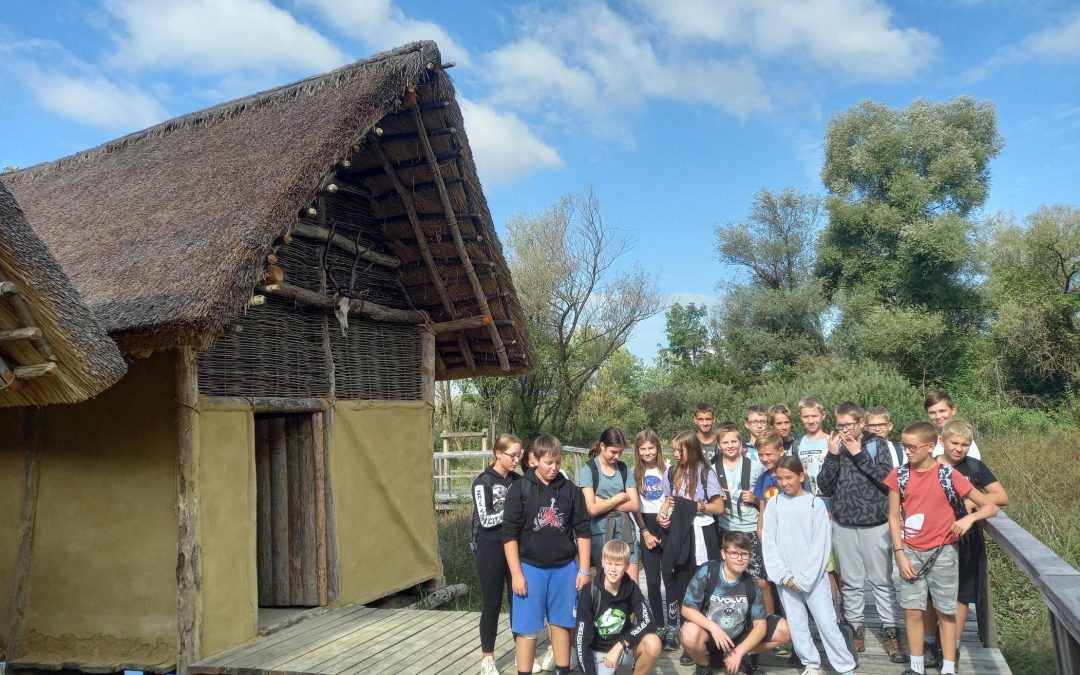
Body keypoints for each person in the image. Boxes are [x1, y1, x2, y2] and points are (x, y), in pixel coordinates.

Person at [887, 421, 999, 675]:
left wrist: (968, 519)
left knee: (946, 611)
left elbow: (990, 506)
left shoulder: (949, 475)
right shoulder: (899, 475)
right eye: (905, 446)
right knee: (913, 611)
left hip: (943, 552)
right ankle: (916, 667)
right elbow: (893, 516)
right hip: (910, 551)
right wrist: (899, 553)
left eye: (913, 447)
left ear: (930, 446)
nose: (908, 451)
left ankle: (948, 667)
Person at [816, 401, 905, 663]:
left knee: (882, 581)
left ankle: (890, 630)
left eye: (849, 425)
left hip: (876, 524)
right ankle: (855, 628)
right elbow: (824, 486)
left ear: (861, 423)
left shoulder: (878, 445)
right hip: (843, 524)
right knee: (852, 583)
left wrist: (858, 453)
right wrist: (832, 456)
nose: (843, 430)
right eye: (840, 425)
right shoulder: (835, 445)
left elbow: (888, 479)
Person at [503, 435, 592, 675]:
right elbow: (509, 536)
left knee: (562, 623)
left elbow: (583, 532)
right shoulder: (519, 489)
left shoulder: (571, 491)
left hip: (564, 568)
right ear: (535, 461)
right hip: (529, 568)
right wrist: (516, 574)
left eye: (557, 463)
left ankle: (562, 670)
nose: (554, 468)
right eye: (548, 463)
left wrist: (584, 569)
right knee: (528, 628)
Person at [761, 456, 858, 675]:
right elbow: (769, 543)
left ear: (801, 476)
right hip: (786, 578)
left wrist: (804, 579)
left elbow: (820, 547)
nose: (784, 482)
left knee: (826, 623)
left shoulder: (815, 505)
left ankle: (845, 666)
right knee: (796, 623)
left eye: (789, 477)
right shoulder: (774, 504)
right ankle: (811, 663)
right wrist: (785, 576)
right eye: (780, 478)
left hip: (813, 578)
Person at [924, 419, 1009, 665]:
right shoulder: (929, 465)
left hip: (967, 541)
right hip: (934, 540)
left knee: (962, 595)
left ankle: (954, 648)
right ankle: (930, 643)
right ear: (942, 441)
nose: (959, 448)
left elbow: (1001, 496)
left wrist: (973, 501)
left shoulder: (975, 467)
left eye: (965, 444)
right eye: (955, 443)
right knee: (930, 595)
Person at [658, 430, 725, 666]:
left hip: (703, 535)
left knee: (707, 587)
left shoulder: (706, 473)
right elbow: (668, 501)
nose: (676, 454)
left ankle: (711, 643)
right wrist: (662, 515)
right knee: (684, 586)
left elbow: (718, 507)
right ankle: (690, 642)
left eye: (680, 450)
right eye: (674, 450)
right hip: (679, 535)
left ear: (692, 449)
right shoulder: (671, 472)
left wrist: (695, 507)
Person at [680, 532, 791, 675]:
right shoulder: (707, 572)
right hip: (710, 635)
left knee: (785, 629)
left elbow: (760, 626)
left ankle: (742, 654)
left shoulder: (751, 583)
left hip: (739, 635)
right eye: (734, 553)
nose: (739, 559)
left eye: (744, 554)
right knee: (689, 633)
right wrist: (713, 627)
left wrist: (739, 651)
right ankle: (703, 665)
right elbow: (686, 609)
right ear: (723, 553)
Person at [471, 434, 523, 675]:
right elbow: (486, 519)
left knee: (518, 602)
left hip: (515, 547)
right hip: (490, 547)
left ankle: (521, 652)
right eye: (512, 455)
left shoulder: (518, 480)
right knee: (492, 603)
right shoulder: (482, 482)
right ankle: (488, 658)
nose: (516, 459)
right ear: (498, 454)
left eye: (519, 455)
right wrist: (512, 513)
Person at [575, 539, 662, 675]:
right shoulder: (589, 591)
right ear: (602, 562)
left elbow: (648, 622)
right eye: (609, 563)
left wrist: (620, 645)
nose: (613, 569)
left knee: (653, 642)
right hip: (598, 654)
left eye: (618, 564)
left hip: (623, 648)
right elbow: (581, 640)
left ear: (627, 565)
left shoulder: (631, 587)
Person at [713, 423, 767, 616]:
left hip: (751, 528)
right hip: (726, 529)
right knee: (730, 578)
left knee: (760, 579)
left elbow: (768, 496)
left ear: (741, 443)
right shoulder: (712, 470)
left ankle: (769, 621)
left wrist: (754, 499)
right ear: (718, 445)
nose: (730, 445)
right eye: (725, 442)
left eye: (734, 441)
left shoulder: (756, 466)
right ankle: (735, 619)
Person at [630, 429, 674, 650]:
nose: (647, 452)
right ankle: (658, 626)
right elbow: (635, 506)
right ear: (638, 451)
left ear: (657, 447)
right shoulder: (633, 473)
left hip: (666, 523)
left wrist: (666, 517)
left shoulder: (667, 469)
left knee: (670, 578)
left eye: (651, 447)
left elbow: (672, 497)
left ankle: (674, 627)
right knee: (654, 581)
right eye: (643, 449)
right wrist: (645, 532)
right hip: (646, 524)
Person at [581, 427, 641, 580]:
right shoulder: (589, 470)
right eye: (613, 452)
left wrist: (604, 502)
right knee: (607, 583)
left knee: (631, 584)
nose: (617, 456)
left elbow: (634, 505)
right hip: (601, 534)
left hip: (626, 531)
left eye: (620, 452)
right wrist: (618, 498)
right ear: (602, 446)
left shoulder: (624, 469)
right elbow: (592, 510)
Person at [924, 390, 982, 460]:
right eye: (932, 413)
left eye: (942, 411)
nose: (938, 416)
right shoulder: (921, 440)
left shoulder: (964, 442)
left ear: (953, 410)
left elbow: (974, 468)